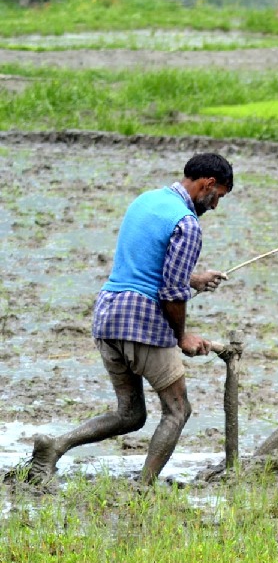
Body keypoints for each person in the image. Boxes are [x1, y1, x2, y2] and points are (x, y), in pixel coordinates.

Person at [19, 153, 234, 486]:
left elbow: (145, 263)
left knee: (130, 414)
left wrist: (195, 279)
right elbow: (170, 293)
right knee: (178, 411)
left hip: (108, 316)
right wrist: (182, 338)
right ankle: (143, 489)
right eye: (218, 196)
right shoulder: (187, 224)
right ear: (207, 183)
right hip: (142, 322)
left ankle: (55, 446)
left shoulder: (146, 200)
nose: (216, 205)